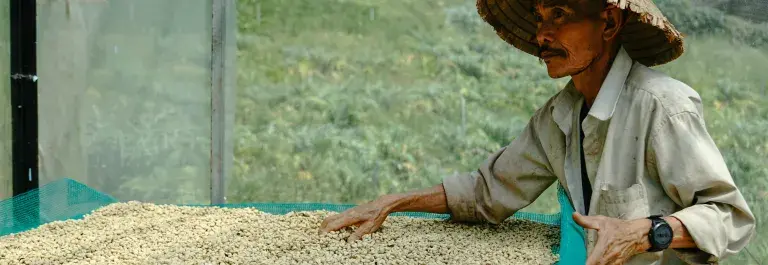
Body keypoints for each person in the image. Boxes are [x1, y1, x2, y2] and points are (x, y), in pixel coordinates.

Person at [319, 0, 756, 264]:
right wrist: (394, 202)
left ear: (608, 23)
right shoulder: (559, 116)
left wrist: (646, 232)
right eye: (541, 16)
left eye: (560, 14)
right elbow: (488, 192)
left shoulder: (663, 107)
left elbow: (731, 218)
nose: (543, 33)